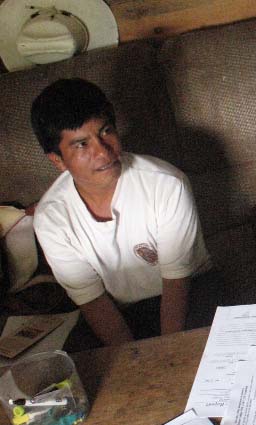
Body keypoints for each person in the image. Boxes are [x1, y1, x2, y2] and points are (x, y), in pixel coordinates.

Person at [31, 78, 215, 347]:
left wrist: (169, 353)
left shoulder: (166, 184)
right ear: (58, 160)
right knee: (80, 367)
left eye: (105, 132)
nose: (103, 152)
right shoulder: (51, 219)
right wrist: (134, 360)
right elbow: (93, 301)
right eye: (82, 144)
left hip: (188, 289)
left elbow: (177, 282)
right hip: (120, 309)